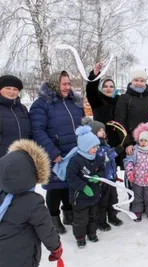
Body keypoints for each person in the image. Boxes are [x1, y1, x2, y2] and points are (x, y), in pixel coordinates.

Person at [30, 70, 84, 234]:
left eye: (69, 83)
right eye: (64, 84)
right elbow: (37, 130)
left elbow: (82, 125)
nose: (67, 87)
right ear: (55, 85)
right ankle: (54, 217)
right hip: (55, 153)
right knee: (55, 187)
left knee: (70, 184)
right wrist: (53, 152)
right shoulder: (41, 104)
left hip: (74, 152)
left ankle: (68, 213)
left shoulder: (74, 103)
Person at [0, 139, 63, 267]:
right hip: (23, 258)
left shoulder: (2, 195)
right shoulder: (33, 202)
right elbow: (46, 228)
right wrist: (55, 247)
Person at [82, 118, 124, 231]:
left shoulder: (106, 144)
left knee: (113, 198)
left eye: (103, 130)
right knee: (103, 201)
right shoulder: (95, 147)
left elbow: (111, 162)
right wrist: (115, 152)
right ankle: (101, 221)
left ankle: (112, 216)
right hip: (102, 180)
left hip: (111, 178)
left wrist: (114, 174)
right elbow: (101, 159)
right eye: (100, 130)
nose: (103, 132)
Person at [65, 125, 103, 248]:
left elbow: (102, 169)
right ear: (85, 147)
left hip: (94, 195)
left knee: (93, 216)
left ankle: (92, 233)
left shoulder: (96, 158)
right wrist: (83, 187)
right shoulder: (75, 160)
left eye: (97, 146)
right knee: (81, 219)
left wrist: (98, 176)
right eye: (93, 147)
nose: (96, 149)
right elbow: (71, 177)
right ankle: (80, 237)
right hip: (80, 197)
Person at [86, 62, 122, 166]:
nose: (108, 88)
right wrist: (95, 74)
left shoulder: (119, 101)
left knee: (114, 168)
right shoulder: (97, 100)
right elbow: (91, 90)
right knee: (102, 166)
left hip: (116, 140)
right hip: (101, 139)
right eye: (105, 86)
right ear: (102, 88)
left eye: (111, 86)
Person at [124, 122, 148, 222]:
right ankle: (137, 212)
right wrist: (130, 171)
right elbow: (129, 161)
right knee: (137, 197)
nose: (143, 142)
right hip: (137, 180)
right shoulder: (135, 149)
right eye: (141, 140)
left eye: (145, 140)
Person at [0, 75, 31, 158]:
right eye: (8, 88)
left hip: (23, 157)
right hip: (3, 158)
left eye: (15, 89)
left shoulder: (23, 109)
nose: (12, 92)